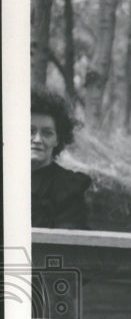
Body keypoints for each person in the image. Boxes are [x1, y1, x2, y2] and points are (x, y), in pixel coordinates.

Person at [31, 87, 91, 229]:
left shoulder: (68, 189)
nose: (37, 139)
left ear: (57, 140)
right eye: (29, 131)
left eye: (47, 133)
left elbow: (65, 247)